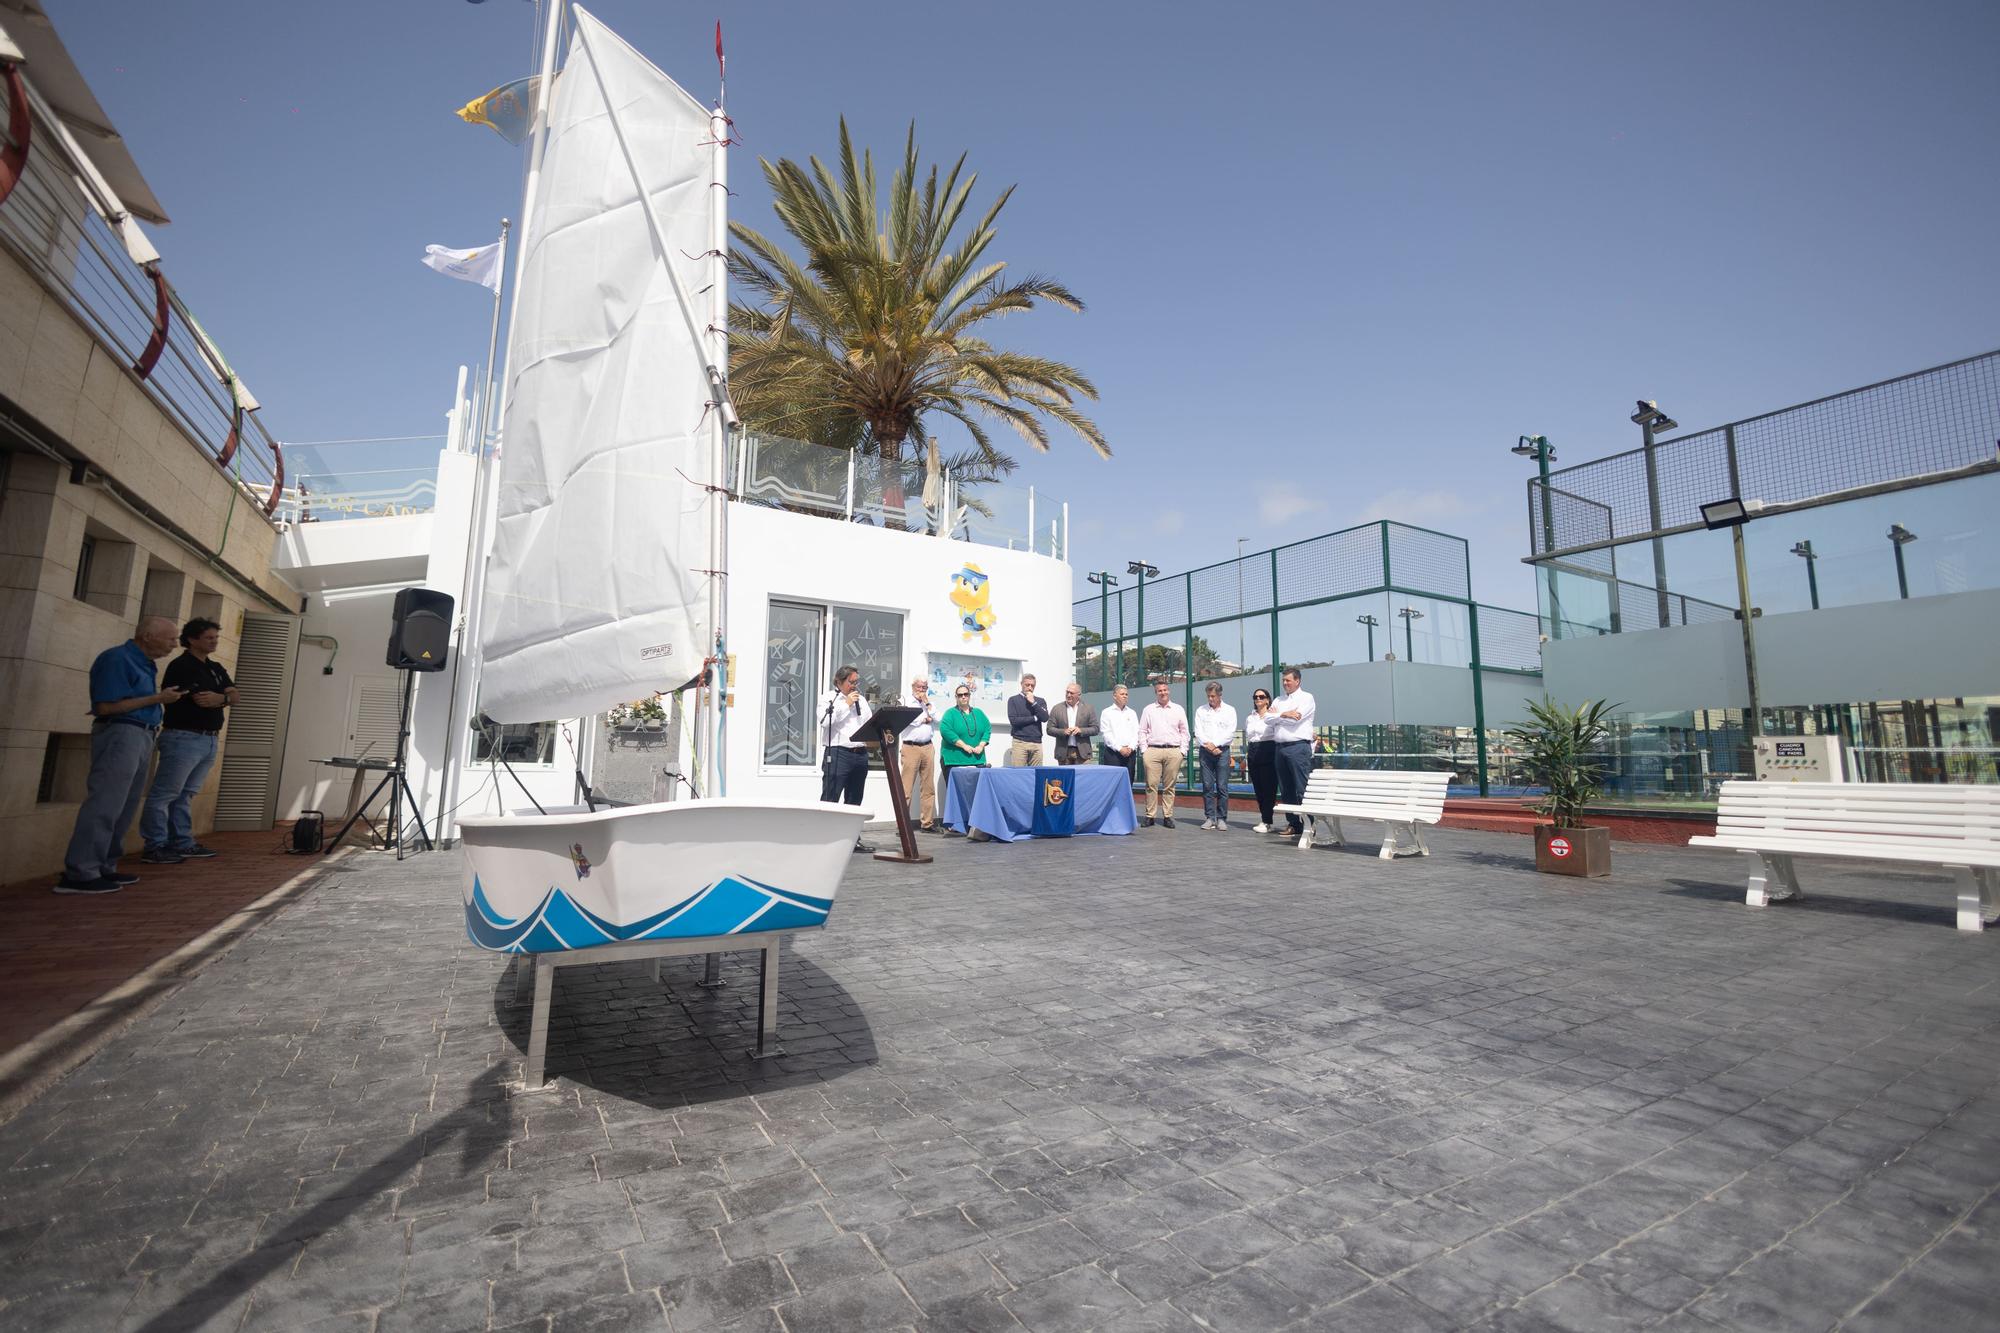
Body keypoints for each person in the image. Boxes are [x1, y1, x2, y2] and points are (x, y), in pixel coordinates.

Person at [57, 616, 184, 894]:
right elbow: (105, 707)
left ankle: (105, 866)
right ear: (148, 636)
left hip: (142, 734)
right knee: (105, 803)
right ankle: (81, 873)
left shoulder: (146, 664)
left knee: (124, 806)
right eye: (171, 638)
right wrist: (157, 699)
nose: (175, 644)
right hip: (121, 733)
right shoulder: (117, 659)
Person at [139, 617, 239, 863]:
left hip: (209, 739)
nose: (214, 642)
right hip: (184, 737)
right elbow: (201, 699)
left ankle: (182, 842)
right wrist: (220, 698)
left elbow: (234, 694)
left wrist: (223, 699)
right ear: (192, 640)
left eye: (216, 637)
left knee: (186, 794)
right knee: (165, 793)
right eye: (209, 638)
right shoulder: (182, 665)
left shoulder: (215, 667)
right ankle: (155, 845)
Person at [819, 665, 875, 853]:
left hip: (860, 754)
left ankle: (852, 840)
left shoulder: (862, 700)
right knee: (830, 797)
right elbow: (825, 721)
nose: (855, 686)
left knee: (854, 799)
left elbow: (869, 722)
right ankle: (824, 839)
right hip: (838, 753)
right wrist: (847, 704)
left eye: (857, 682)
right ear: (839, 682)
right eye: (851, 682)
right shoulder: (829, 698)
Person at [1269, 667, 1317, 837]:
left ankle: (1310, 825)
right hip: (1280, 748)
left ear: (1297, 681)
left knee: (1301, 787)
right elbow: (1267, 719)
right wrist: (1284, 714)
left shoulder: (1307, 698)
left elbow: (1297, 718)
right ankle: (1294, 823)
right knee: (1286, 788)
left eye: (1288, 680)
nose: (1285, 683)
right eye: (1283, 680)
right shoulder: (1278, 700)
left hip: (1298, 747)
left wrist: (1278, 718)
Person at [1137, 680, 1189, 828]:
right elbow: (1142, 731)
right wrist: (1144, 751)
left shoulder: (1178, 709)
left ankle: (1167, 816)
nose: (1163, 693)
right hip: (1152, 751)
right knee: (1151, 785)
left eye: (1165, 690)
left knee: (1169, 786)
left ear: (1169, 691)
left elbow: (1185, 731)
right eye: (1160, 690)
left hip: (1173, 751)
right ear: (1156, 693)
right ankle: (1150, 816)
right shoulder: (1148, 710)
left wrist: (1182, 751)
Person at [1193, 683, 1238, 830]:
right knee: (1207, 785)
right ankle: (1209, 817)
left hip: (1222, 752)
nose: (1210, 699)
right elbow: (1198, 732)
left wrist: (1216, 745)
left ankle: (1221, 818)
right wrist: (1210, 747)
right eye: (1208, 696)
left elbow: (1230, 732)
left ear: (1220, 695)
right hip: (1206, 752)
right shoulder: (1201, 710)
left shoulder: (1230, 710)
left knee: (1222, 786)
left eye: (1213, 696)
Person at [899, 676, 940, 833]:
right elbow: (906, 720)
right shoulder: (905, 701)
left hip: (927, 747)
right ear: (912, 686)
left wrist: (927, 704)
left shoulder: (929, 703)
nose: (921, 690)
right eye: (919, 687)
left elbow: (937, 718)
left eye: (924, 687)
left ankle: (927, 823)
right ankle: (902, 824)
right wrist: (923, 719)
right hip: (911, 748)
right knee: (906, 788)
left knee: (928, 788)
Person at [1244, 687, 1279, 832]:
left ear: (1267, 699)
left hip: (1268, 749)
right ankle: (1264, 818)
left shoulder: (1272, 716)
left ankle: (1267, 820)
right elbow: (1249, 736)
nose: (1258, 699)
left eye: (1261, 696)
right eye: (1255, 697)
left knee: (1268, 787)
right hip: (1253, 750)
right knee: (1258, 787)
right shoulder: (1250, 717)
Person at [1045, 682, 1098, 765]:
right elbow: (1049, 729)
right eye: (1067, 692)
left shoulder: (1088, 708)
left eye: (1072, 693)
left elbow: (1095, 729)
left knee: (1083, 777)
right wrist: (1063, 732)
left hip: (1083, 753)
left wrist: (1081, 730)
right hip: (1063, 752)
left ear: (1079, 695)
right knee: (1065, 778)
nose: (1068, 695)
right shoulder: (1057, 708)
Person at [1005, 674, 1049, 767]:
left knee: (1036, 774)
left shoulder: (1040, 701)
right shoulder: (1013, 700)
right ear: (1021, 684)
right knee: (1019, 774)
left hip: (1037, 743)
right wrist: (1035, 718)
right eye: (1027, 685)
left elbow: (1045, 718)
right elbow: (1014, 721)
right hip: (1020, 742)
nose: (1030, 688)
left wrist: (1033, 703)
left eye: (1032, 685)